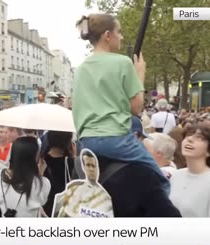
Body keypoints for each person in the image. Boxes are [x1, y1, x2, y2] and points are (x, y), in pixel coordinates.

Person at [72, 13, 169, 194]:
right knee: (161, 181)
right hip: (116, 138)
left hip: (86, 142)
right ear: (108, 35)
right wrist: (139, 74)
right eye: (120, 32)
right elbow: (136, 107)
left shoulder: (81, 68)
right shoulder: (122, 62)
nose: (122, 37)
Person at [169, 124, 210, 217]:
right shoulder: (176, 175)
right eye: (188, 135)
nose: (190, 139)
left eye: (199, 138)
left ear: (209, 151)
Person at [0, 136, 50, 218]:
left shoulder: (0, 175)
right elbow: (41, 201)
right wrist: (40, 175)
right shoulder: (42, 182)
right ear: (33, 156)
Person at [54, 150, 112, 218]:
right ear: (83, 167)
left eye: (93, 166)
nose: (91, 169)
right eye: (88, 165)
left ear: (97, 168)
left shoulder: (104, 196)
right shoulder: (73, 189)